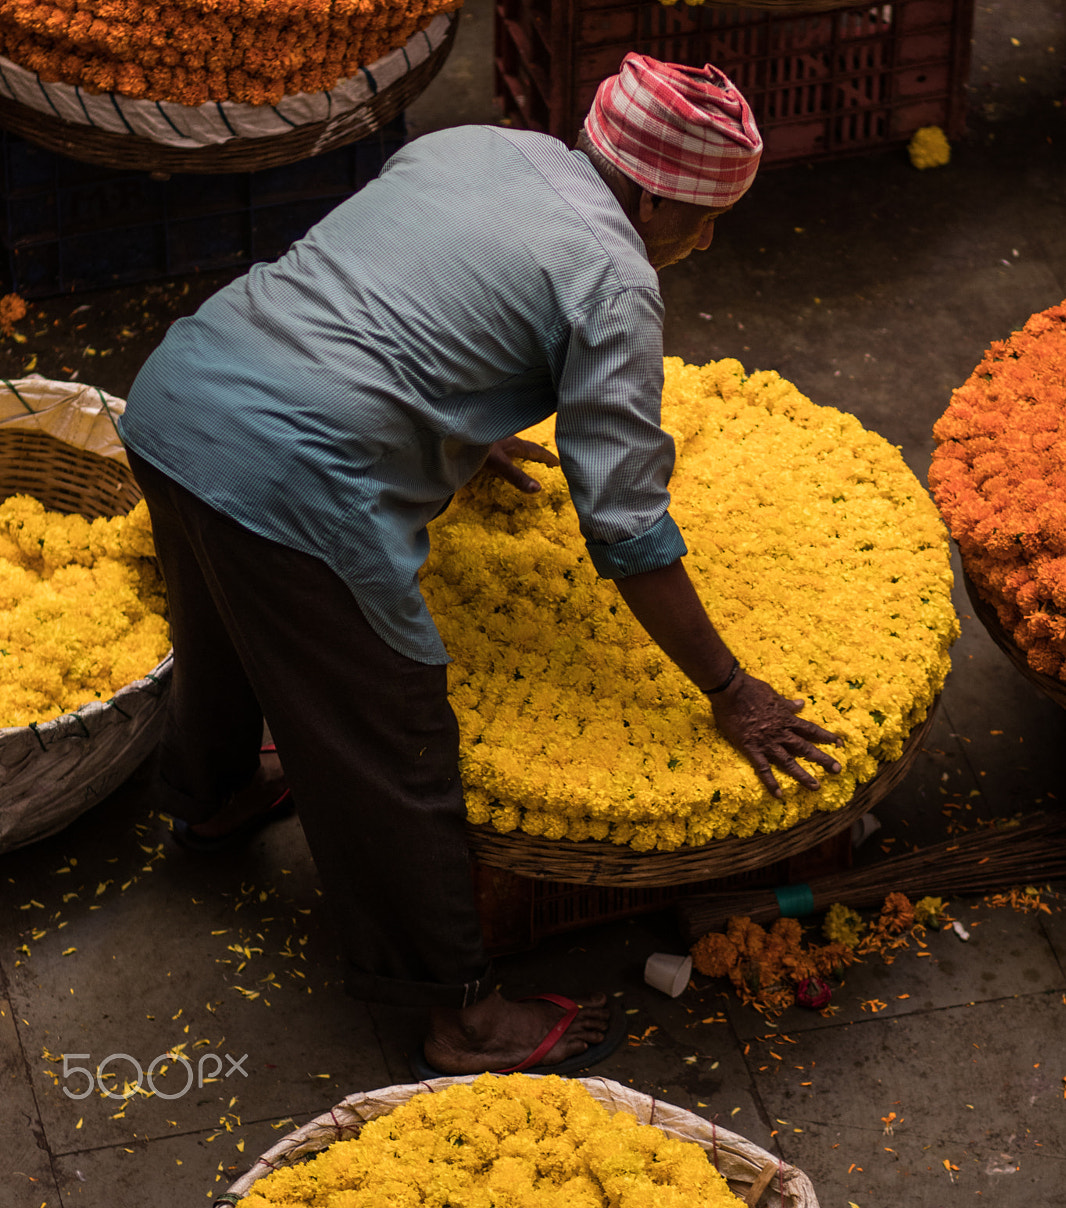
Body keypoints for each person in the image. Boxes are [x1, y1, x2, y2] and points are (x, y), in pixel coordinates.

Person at [118, 52, 842, 1078]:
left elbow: (397, 291)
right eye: (698, 215)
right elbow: (625, 521)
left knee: (226, 605)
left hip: (179, 392)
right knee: (395, 722)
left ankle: (212, 795)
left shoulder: (476, 147)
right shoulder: (617, 278)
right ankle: (456, 1013)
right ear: (642, 191)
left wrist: (468, 421)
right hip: (294, 467)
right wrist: (731, 690)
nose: (706, 238)